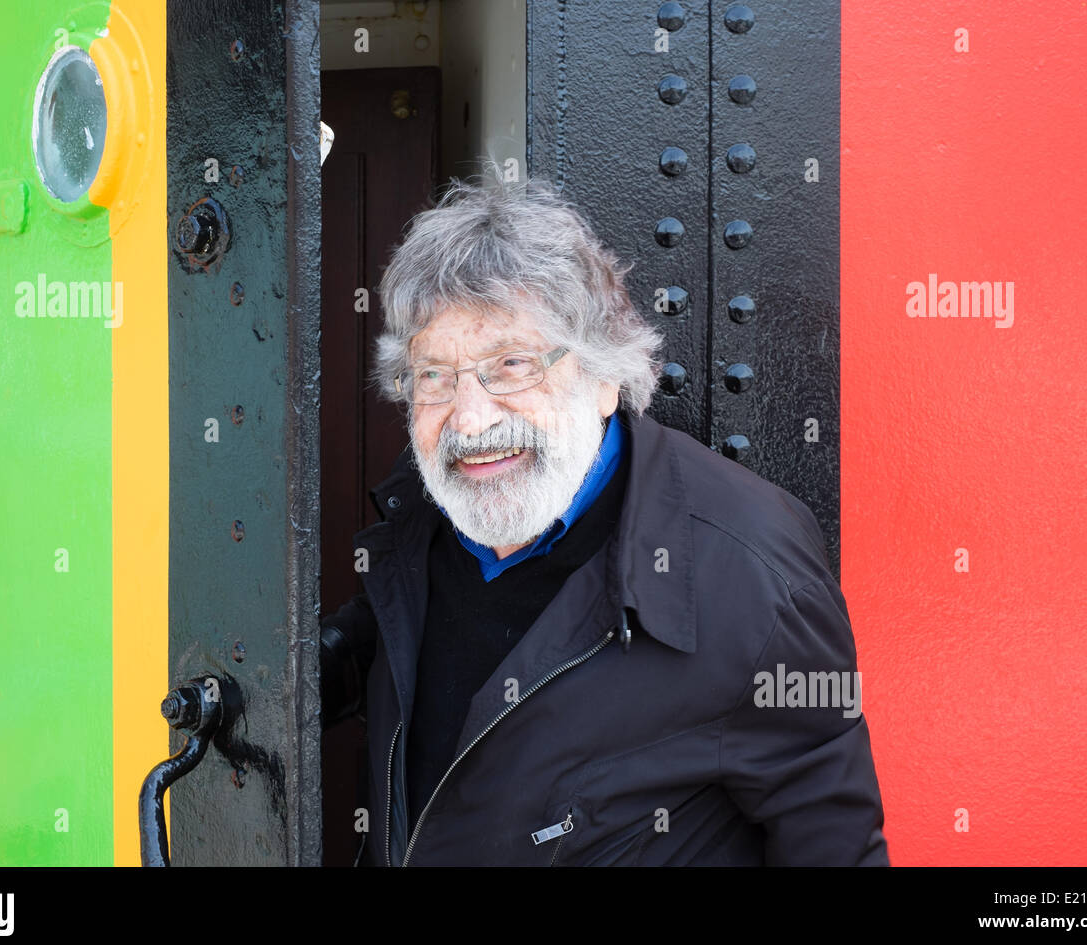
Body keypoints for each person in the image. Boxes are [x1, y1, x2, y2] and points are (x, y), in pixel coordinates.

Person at [320, 171, 889, 866]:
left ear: (603, 376)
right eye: (434, 376)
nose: (469, 420)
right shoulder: (417, 518)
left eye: (512, 364)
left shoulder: (753, 571)